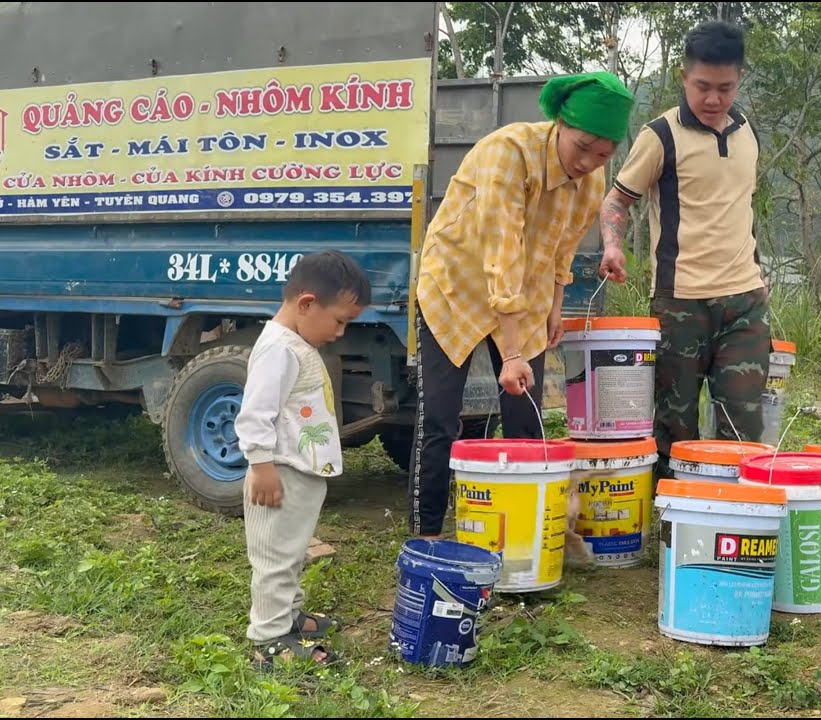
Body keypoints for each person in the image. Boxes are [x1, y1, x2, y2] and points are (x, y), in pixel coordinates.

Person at [409, 71, 636, 539]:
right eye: (583, 146)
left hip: (524, 294)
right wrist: (511, 354)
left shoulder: (591, 180)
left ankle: (520, 535)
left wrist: (555, 306)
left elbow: (562, 248)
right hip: (456, 286)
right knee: (440, 417)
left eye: (604, 154)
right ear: (559, 124)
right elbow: (502, 249)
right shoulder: (507, 153)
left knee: (525, 419)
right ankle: (426, 535)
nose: (590, 161)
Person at [598, 20, 770, 476]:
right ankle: (672, 522)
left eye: (725, 88)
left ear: (739, 80)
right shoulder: (661, 136)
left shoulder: (748, 131)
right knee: (676, 424)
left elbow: (740, 208)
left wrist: (756, 272)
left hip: (745, 303)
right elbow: (618, 199)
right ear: (683, 76)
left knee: (744, 420)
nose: (713, 99)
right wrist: (612, 246)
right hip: (681, 303)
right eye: (702, 87)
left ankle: (736, 518)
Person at [234, 249, 371, 669]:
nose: (341, 332)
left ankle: (288, 617)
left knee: (291, 553)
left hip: (299, 472)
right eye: (339, 320)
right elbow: (256, 412)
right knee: (275, 557)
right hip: (281, 474)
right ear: (307, 304)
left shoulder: (294, 343)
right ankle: (269, 639)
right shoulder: (278, 349)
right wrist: (261, 465)